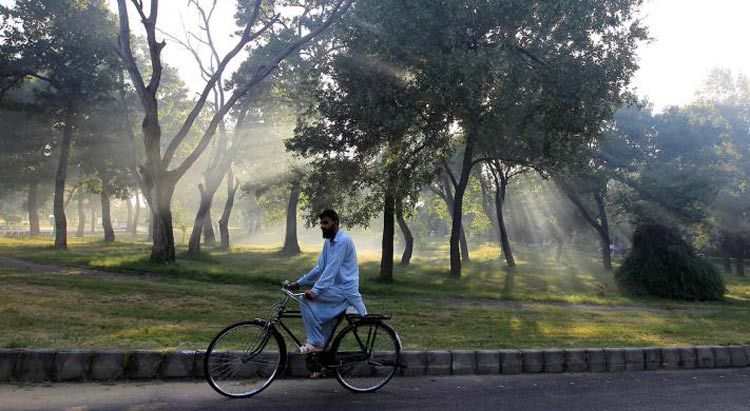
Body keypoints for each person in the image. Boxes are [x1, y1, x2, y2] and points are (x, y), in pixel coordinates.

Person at [285, 209, 367, 354]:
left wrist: (316, 291)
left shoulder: (343, 241)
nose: (322, 226)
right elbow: (320, 268)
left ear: (335, 223)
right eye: (321, 223)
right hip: (334, 289)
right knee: (324, 329)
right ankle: (322, 364)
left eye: (325, 223)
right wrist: (298, 283)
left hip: (344, 291)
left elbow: (331, 270)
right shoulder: (329, 242)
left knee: (305, 299)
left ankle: (315, 342)